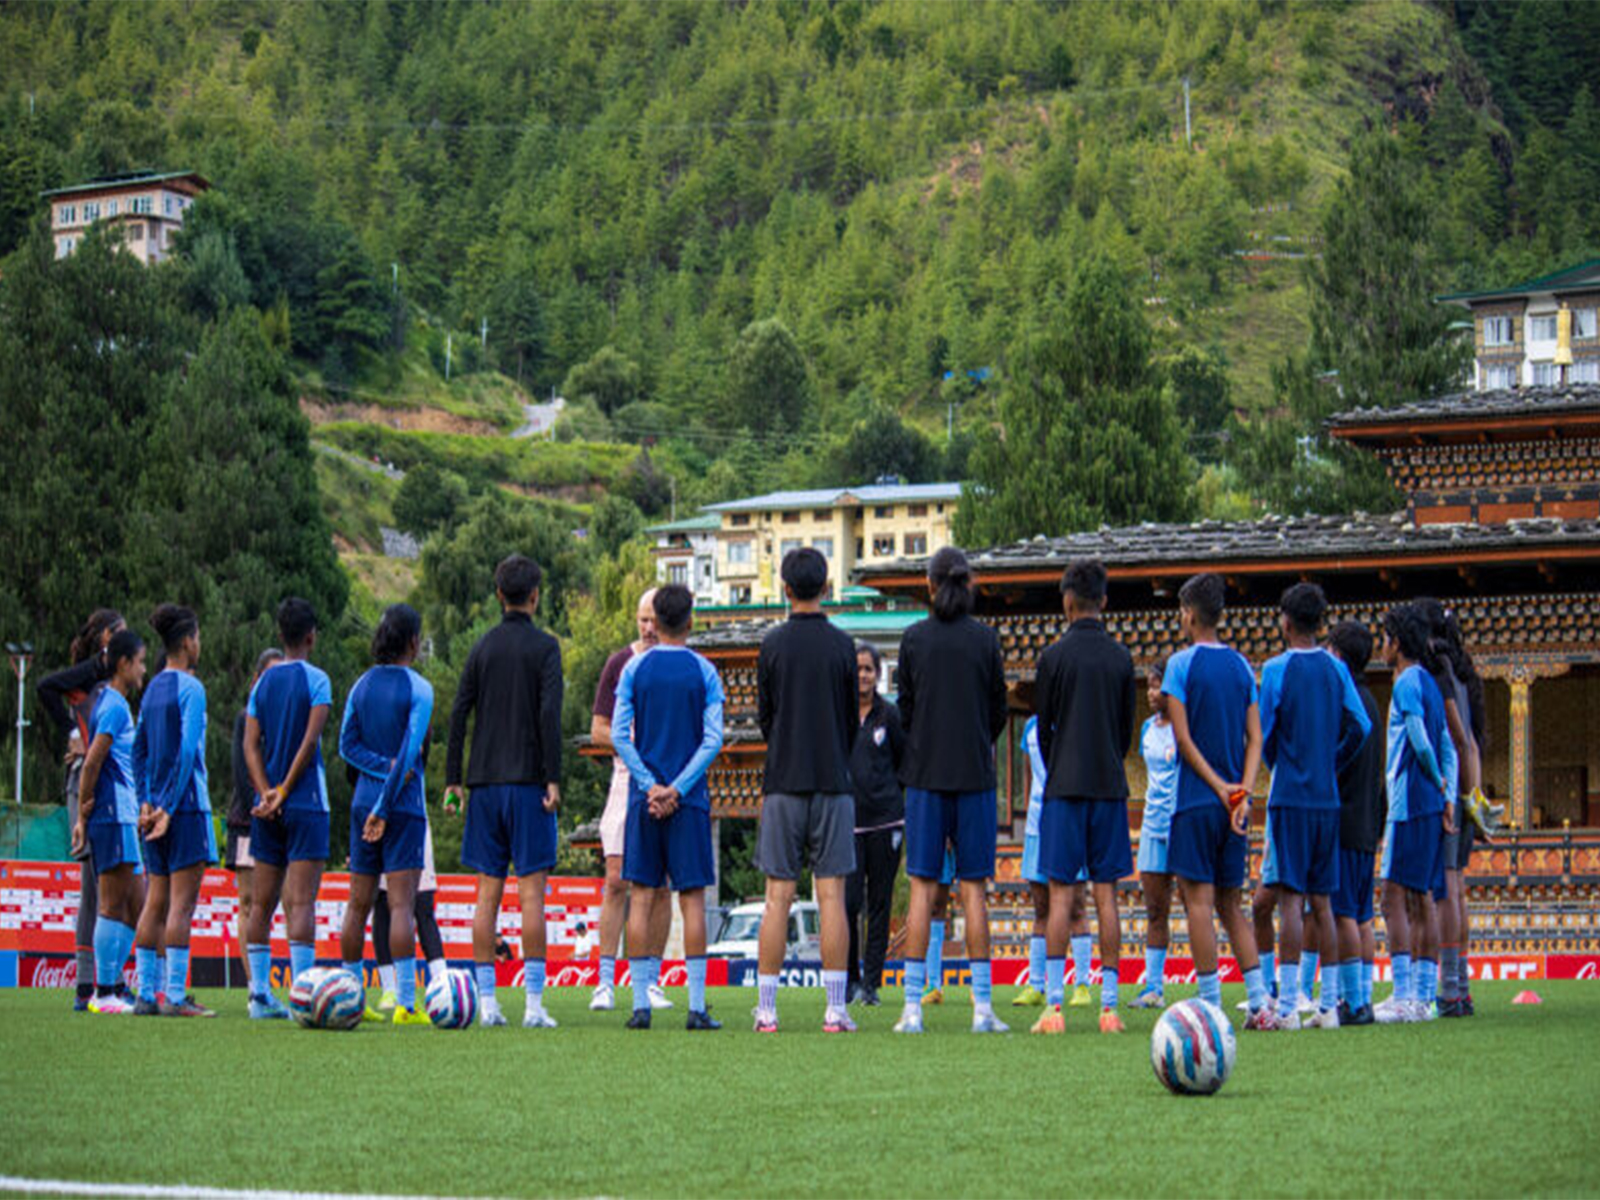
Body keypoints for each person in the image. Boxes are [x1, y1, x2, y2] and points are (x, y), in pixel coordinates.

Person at [443, 554, 565, 1029]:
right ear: (535, 596)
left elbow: (458, 713)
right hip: (529, 782)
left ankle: (488, 1004)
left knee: (485, 897)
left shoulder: (482, 647)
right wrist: (552, 777)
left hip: (484, 784)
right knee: (531, 897)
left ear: (499, 595)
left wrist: (454, 777)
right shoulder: (546, 648)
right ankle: (534, 1005)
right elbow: (549, 716)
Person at [894, 547, 1008, 1036]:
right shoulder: (986, 640)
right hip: (975, 777)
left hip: (924, 777)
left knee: (923, 890)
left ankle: (912, 1010)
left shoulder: (914, 639)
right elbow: (998, 709)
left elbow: (905, 709)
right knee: (974, 891)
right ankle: (982, 1009)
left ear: (929, 584)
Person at [1255, 583, 1372, 1030]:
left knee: (1290, 899)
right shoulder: (1336, 670)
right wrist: (1331, 760)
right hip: (1328, 798)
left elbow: (1264, 735)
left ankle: (1286, 1008)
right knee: (1323, 901)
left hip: (1289, 798)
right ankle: (1328, 1006)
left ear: (1285, 621)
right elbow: (1359, 725)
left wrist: (1280, 765)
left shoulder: (1276, 669)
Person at [1162, 573, 1275, 1029]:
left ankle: (1209, 1003)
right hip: (1236, 808)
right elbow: (1256, 738)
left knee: (1200, 906)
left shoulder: (1179, 666)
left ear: (1190, 613)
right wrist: (1241, 792)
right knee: (1233, 905)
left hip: (1195, 801)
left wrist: (1216, 786)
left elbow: (1184, 740)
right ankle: (1260, 1001)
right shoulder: (1242, 667)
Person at [752, 547, 858, 1034]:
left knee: (778, 896)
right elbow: (849, 719)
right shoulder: (843, 646)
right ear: (827, 586)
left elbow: (766, 719)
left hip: (783, 781)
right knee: (831, 895)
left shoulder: (771, 645)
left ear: (785, 588)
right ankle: (835, 1009)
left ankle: (767, 1010)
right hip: (833, 780)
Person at [611, 584, 726, 1030]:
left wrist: (651, 785)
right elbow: (712, 739)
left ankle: (640, 1005)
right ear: (691, 622)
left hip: (645, 801)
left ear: (653, 622)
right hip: (690, 800)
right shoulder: (705, 672)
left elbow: (621, 736)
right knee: (692, 899)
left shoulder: (634, 670)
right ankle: (696, 1006)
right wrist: (677, 789)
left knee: (640, 897)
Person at [1029, 559, 1136, 1036]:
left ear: (1067, 601)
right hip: (1109, 785)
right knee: (1106, 895)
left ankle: (1053, 1007)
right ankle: (1109, 1008)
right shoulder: (1121, 658)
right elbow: (1123, 731)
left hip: (1064, 787)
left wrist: (1061, 766)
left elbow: (1044, 729)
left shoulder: (1051, 659)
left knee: (1059, 897)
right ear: (1105, 602)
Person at [337, 603, 435, 1025]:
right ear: (413, 642)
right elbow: (410, 755)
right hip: (404, 805)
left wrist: (375, 781)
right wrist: (388, 794)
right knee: (400, 905)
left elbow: (346, 746)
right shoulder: (420, 688)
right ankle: (404, 1005)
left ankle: (349, 998)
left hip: (362, 801)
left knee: (357, 905)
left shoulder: (360, 685)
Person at [244, 598, 333, 1019]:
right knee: (301, 903)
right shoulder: (318, 680)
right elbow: (311, 742)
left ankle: (259, 996)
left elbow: (249, 744)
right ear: (311, 637)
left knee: (260, 904)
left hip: (267, 807)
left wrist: (265, 792)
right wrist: (284, 789)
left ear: (280, 635)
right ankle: (303, 998)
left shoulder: (263, 683)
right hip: (306, 802)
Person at [37, 608, 127, 1009]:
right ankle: (93, 985)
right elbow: (44, 686)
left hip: (104, 785)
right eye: (122, 634)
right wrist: (73, 733)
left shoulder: (112, 681)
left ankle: (100, 983)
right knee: (96, 886)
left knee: (103, 886)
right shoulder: (93, 671)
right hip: (84, 783)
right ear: (107, 637)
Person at [588, 589, 673, 1013]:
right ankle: (605, 980)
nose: (648, 627)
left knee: (661, 886)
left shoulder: (679, 662)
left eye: (654, 619)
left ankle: (653, 980)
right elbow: (598, 729)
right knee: (616, 880)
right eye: (642, 619)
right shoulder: (619, 663)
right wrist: (634, 743)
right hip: (626, 779)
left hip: (669, 781)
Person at [132, 604, 219, 1017]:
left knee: (155, 901)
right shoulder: (191, 688)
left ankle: (146, 994)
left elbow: (139, 750)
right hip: (185, 809)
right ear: (187, 641)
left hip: (155, 811)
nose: (199, 645)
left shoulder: (150, 689)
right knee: (181, 906)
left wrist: (146, 801)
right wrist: (167, 804)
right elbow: (187, 751)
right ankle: (175, 996)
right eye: (198, 638)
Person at [1375, 603, 1457, 1024]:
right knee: (1423, 896)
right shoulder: (1429, 682)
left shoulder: (1406, 681)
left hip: (1408, 800)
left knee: (1393, 896)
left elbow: (1421, 740)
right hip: (1430, 802)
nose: (1381, 645)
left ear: (1397, 642)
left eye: (1384, 636)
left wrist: (1435, 782)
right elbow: (1447, 747)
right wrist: (1448, 795)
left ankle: (1406, 995)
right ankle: (1424, 997)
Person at [71, 629, 147, 1014]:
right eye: (140, 661)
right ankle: (104, 991)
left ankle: (114, 985)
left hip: (123, 814)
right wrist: (84, 811)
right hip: (112, 814)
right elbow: (93, 760)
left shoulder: (113, 703)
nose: (144, 669)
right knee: (112, 904)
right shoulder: (114, 705)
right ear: (123, 664)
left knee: (137, 901)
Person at [1417, 599, 1485, 1018]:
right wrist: (1474, 800)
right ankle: (1460, 986)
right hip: (1464, 794)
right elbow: (1474, 743)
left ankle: (1450, 988)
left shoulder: (1438, 675)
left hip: (1449, 793)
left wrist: (1455, 798)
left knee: (1446, 892)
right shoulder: (1464, 673)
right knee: (1456, 888)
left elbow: (1460, 741)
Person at [1327, 620, 1384, 1027]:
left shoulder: (1348, 706)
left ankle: (1353, 1000)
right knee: (1362, 915)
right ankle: (1362, 995)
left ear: (1340, 657)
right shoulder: (1373, 703)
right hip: (1368, 821)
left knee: (1344, 912)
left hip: (1345, 820)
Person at [845, 641, 904, 1007]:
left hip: (886, 821)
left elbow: (904, 761)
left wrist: (894, 800)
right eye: (858, 669)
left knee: (879, 903)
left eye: (868, 669)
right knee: (848, 904)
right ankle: (848, 979)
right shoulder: (839, 713)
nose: (863, 675)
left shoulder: (891, 715)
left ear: (878, 675)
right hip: (848, 824)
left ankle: (871, 984)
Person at [228, 648, 283, 995]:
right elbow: (240, 768)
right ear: (255, 680)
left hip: (283, 818)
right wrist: (262, 802)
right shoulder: (245, 717)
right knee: (249, 902)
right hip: (248, 820)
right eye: (268, 677)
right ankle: (255, 986)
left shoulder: (291, 716)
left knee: (285, 901)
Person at [1131, 657, 1178, 1009]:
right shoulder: (1147, 728)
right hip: (1152, 823)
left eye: (1156, 685)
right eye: (1148, 685)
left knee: (1196, 905)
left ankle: (1208, 986)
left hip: (1181, 824)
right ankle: (1153, 987)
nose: (1151, 693)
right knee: (1154, 910)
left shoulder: (1183, 727)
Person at [370, 816, 447, 1014]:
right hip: (379, 816)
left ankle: (442, 982)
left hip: (413, 815)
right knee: (383, 902)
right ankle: (389, 989)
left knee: (423, 905)